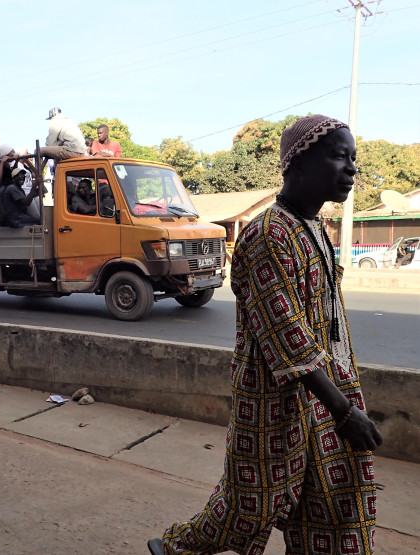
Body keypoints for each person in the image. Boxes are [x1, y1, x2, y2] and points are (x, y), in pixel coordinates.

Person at [149, 115, 383, 555]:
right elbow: (287, 334)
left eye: (354, 158)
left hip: (324, 393)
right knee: (249, 506)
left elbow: (327, 323)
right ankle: (177, 548)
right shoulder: (265, 235)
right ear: (297, 162)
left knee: (337, 502)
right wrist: (345, 410)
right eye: (338, 156)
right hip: (275, 401)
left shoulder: (314, 230)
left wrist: (344, 394)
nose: (351, 169)